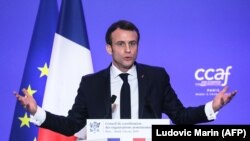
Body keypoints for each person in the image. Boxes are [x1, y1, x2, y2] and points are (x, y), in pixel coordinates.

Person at [14, 20, 237, 136]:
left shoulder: (156, 77)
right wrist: (37, 112)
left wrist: (212, 107)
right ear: (109, 48)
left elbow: (180, 116)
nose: (128, 50)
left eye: (133, 43)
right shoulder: (91, 84)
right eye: (121, 44)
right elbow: (72, 125)